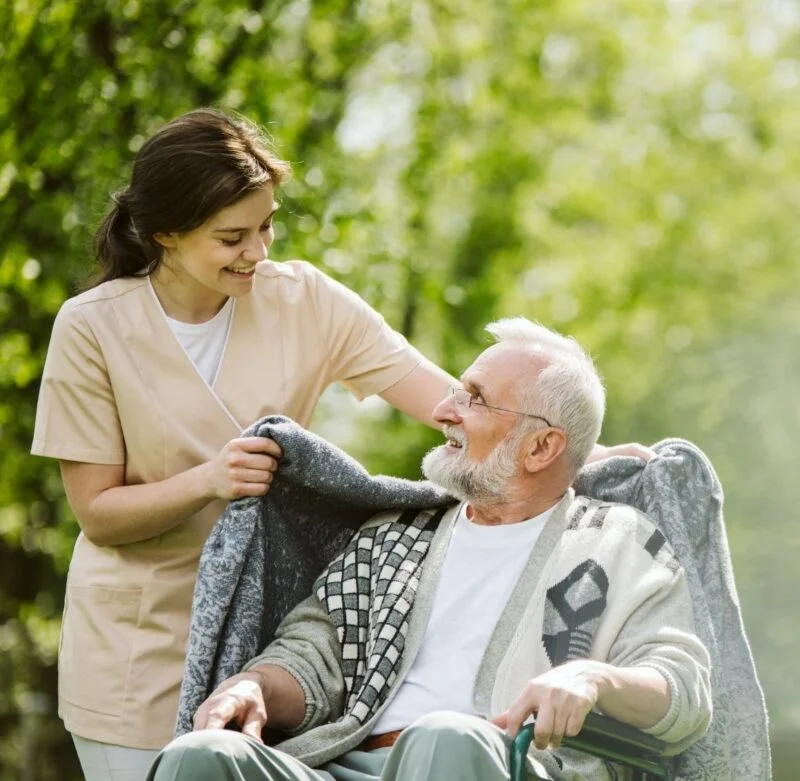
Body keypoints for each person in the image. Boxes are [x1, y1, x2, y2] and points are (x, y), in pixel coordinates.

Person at [32, 108, 648, 780]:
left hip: (266, 638)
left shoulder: (306, 302)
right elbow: (98, 512)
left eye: (266, 226)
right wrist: (210, 479)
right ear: (166, 234)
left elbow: (449, 401)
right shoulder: (91, 327)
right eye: (232, 237)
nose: (258, 252)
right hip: (138, 648)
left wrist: (577, 452)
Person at [147, 318, 711, 781]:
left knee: (446, 736)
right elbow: (313, 657)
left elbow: (683, 691)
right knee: (201, 757)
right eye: (455, 391)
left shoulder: (618, 542)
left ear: (541, 446)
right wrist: (255, 684)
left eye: (475, 400)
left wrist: (592, 679)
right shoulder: (396, 535)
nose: (444, 410)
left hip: (509, 765)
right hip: (348, 765)